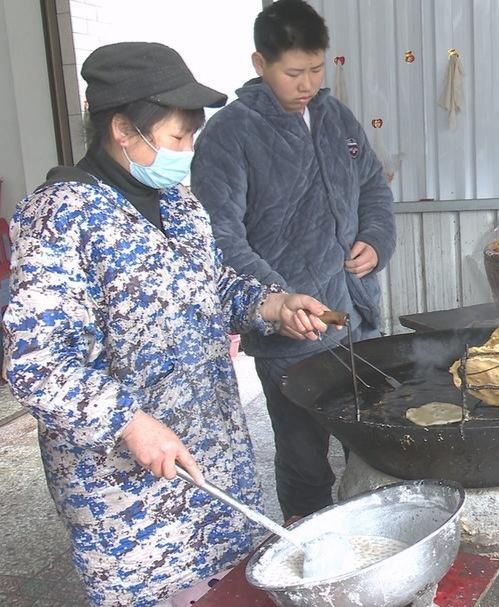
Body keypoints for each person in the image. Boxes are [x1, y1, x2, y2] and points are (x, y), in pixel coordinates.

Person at [2, 42, 333, 607]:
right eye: (177, 138)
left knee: (232, 591)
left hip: (215, 461)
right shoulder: (60, 217)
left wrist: (271, 305)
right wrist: (129, 422)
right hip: (129, 494)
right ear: (123, 131)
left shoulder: (177, 202)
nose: (187, 151)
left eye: (191, 138)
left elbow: (208, 287)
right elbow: (37, 363)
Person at [191, 0, 396, 521]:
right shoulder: (230, 133)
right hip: (290, 333)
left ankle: (382, 538)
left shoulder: (337, 119)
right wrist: (275, 297)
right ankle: (308, 546)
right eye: (293, 72)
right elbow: (219, 238)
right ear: (260, 64)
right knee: (306, 458)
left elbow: (374, 190)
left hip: (356, 318)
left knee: (375, 441)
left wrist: (375, 237)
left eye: (316, 69)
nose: (307, 83)